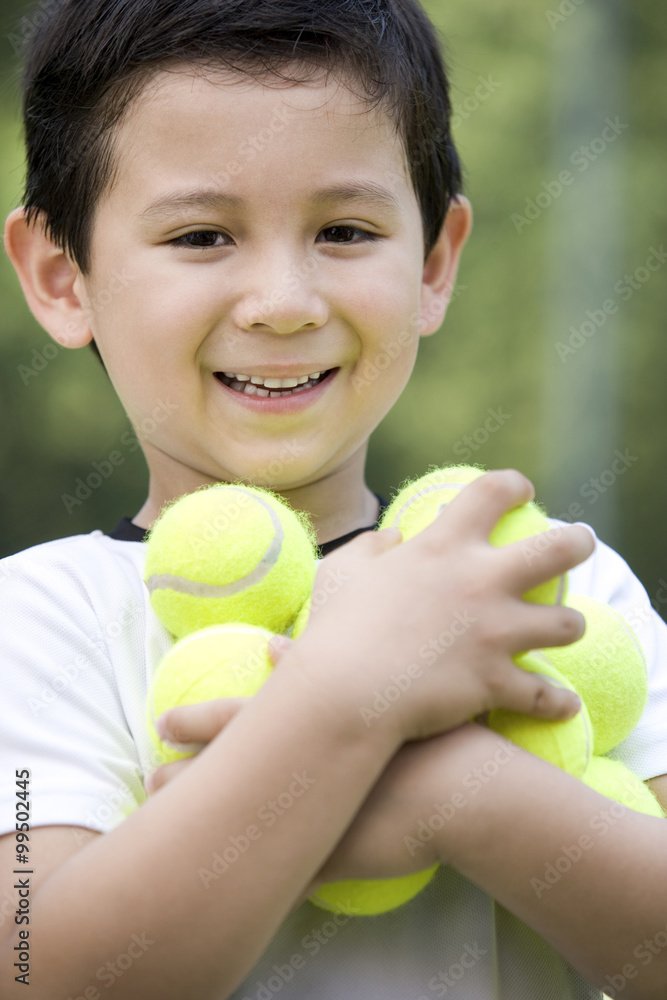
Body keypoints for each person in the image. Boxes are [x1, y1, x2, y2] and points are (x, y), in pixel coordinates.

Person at [1, 1, 666, 997]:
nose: (284, 300)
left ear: (435, 263)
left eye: (344, 230)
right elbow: (35, 966)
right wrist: (347, 698)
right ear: (63, 276)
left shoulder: (543, 583)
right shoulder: (38, 619)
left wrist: (453, 793)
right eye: (201, 236)